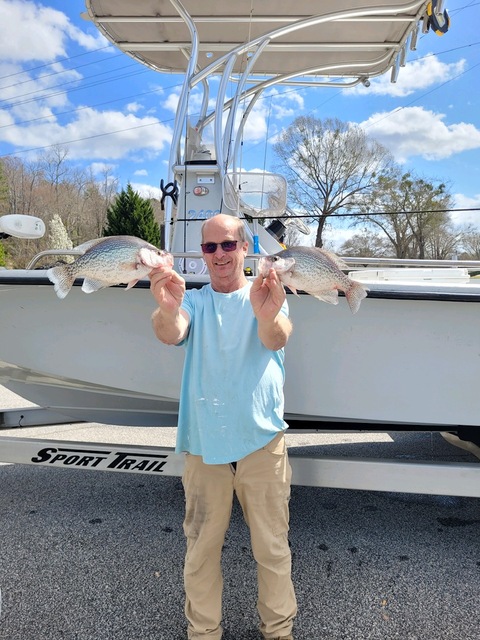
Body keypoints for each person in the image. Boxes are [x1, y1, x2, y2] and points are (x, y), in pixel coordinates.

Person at [149, 213, 297, 640]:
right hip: (203, 446)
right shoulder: (192, 300)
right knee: (200, 551)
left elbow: (278, 336)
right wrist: (166, 307)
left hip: (262, 443)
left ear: (245, 248)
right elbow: (171, 331)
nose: (219, 255)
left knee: (272, 549)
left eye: (228, 245)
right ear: (202, 254)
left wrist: (268, 316)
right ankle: (203, 633)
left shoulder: (266, 293)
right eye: (210, 247)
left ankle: (279, 631)